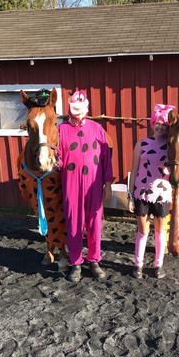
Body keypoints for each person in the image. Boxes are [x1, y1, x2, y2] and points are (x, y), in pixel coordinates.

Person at [58, 90, 113, 283]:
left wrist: (108, 182)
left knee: (94, 222)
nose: (78, 113)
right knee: (74, 222)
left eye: (81, 109)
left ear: (86, 109)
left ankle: (94, 260)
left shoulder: (97, 128)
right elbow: (55, 156)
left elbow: (106, 156)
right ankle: (76, 262)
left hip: (94, 183)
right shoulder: (61, 129)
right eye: (75, 109)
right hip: (71, 183)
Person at [128, 104, 175, 279]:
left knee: (160, 231)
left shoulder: (171, 146)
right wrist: (130, 194)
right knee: (142, 231)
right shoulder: (142, 143)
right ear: (153, 123)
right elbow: (134, 169)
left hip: (162, 195)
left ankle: (158, 265)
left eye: (164, 125)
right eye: (158, 123)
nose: (160, 127)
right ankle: (138, 264)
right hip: (142, 193)